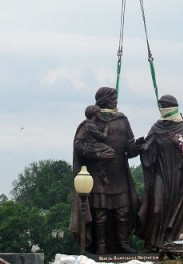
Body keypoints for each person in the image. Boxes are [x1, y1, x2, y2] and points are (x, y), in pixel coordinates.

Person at [69, 87, 143, 254]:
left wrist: (138, 146)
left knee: (123, 211)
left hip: (119, 175)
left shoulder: (123, 120)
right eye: (112, 97)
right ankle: (101, 245)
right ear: (103, 100)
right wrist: (98, 154)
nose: (116, 100)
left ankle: (122, 242)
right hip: (98, 176)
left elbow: (129, 148)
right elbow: (79, 147)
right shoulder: (90, 123)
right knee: (100, 214)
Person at [137, 94, 183, 252]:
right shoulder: (157, 127)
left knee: (175, 212)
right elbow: (148, 152)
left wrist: (180, 144)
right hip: (161, 175)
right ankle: (152, 243)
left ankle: (169, 243)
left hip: (179, 178)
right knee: (157, 209)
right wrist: (143, 147)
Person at [82, 105, 111, 185]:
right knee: (111, 152)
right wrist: (106, 129)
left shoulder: (89, 124)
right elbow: (102, 137)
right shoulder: (91, 125)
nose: (100, 115)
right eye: (99, 113)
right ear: (95, 114)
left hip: (95, 145)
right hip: (94, 146)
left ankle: (101, 166)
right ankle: (101, 166)